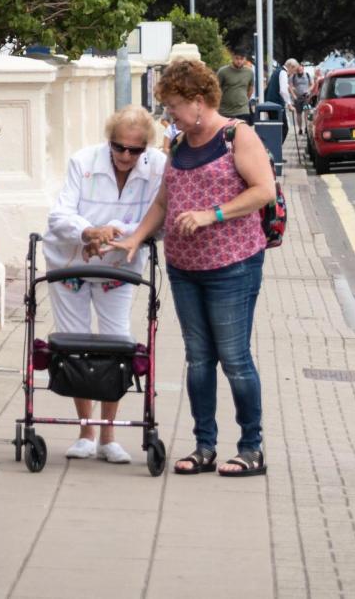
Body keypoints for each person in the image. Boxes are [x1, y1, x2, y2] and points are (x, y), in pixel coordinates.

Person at [109, 59, 276, 477]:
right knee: (199, 360)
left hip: (232, 266)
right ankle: (205, 446)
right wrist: (135, 238)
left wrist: (212, 215)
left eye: (175, 107)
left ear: (199, 103)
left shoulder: (238, 136)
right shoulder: (180, 145)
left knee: (234, 358)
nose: (170, 116)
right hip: (185, 268)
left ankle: (251, 448)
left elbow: (263, 191)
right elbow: (164, 203)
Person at [43, 105, 167, 464]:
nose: (126, 156)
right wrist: (88, 231)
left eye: (136, 150)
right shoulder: (84, 161)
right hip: (72, 263)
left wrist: (116, 232)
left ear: (146, 148)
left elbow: (157, 221)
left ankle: (108, 436)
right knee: (74, 342)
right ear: (108, 141)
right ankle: (86, 430)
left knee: (117, 344)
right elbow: (58, 215)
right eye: (119, 147)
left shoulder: (158, 166)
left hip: (120, 266)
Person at [216, 49, 255, 124]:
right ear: (233, 58)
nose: (239, 61)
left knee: (241, 134)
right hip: (225, 111)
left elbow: (250, 88)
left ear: (245, 59)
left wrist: (244, 100)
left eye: (241, 59)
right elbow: (216, 89)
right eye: (237, 58)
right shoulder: (223, 72)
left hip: (243, 110)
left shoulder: (249, 72)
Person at [287, 61, 314, 134]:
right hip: (297, 98)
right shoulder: (293, 76)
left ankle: (306, 127)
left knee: (306, 112)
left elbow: (312, 85)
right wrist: (293, 95)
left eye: (301, 70)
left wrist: (309, 90)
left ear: (303, 69)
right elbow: (290, 87)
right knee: (298, 113)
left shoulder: (308, 75)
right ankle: (300, 128)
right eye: (298, 70)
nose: (300, 71)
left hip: (306, 97)